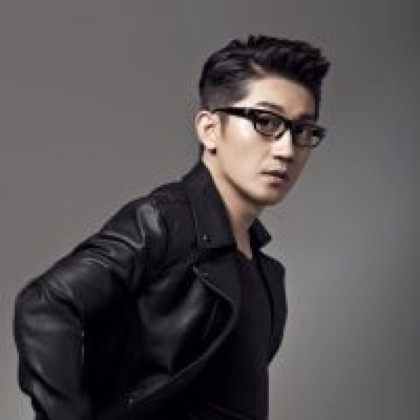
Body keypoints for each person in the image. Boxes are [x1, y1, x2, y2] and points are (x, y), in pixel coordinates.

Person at [14, 34, 330, 420]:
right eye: (265, 121)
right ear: (209, 129)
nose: (286, 149)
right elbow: (45, 304)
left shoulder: (268, 275)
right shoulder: (163, 223)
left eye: (302, 130)